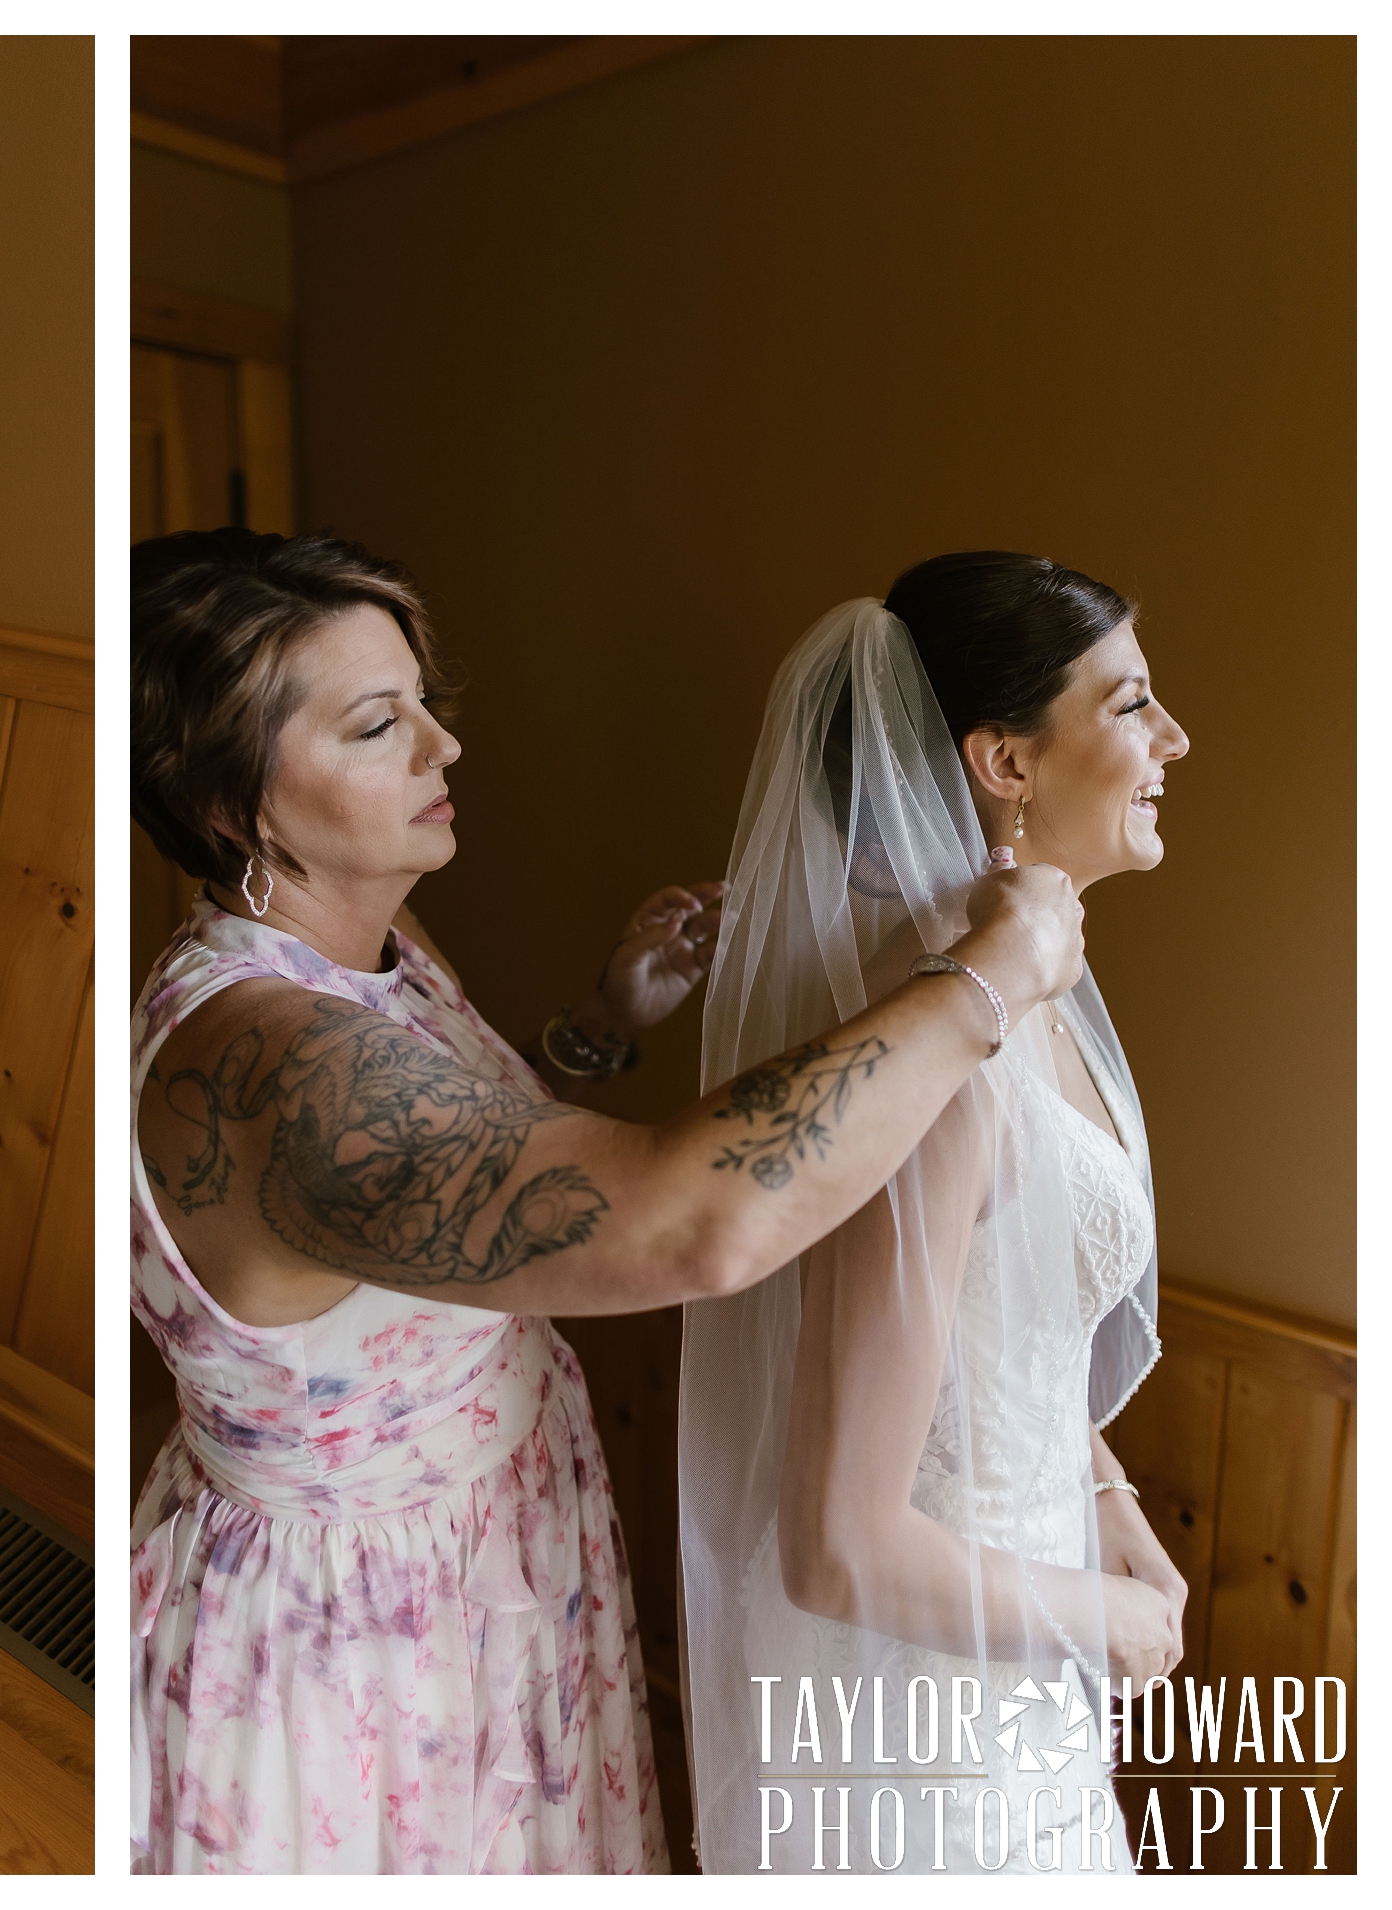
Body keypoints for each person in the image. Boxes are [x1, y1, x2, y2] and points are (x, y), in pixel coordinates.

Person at [127, 528, 1090, 1875]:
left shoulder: (367, 949)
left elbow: (436, 1185)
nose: (444, 745)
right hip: (358, 1644)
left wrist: (595, 1025)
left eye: (423, 701)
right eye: (376, 725)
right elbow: (687, 1219)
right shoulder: (273, 1060)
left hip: (493, 1559)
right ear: (230, 804)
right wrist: (985, 980)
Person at [680, 554, 1191, 1874]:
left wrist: (1107, 1494)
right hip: (916, 1705)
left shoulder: (1031, 990)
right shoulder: (940, 1061)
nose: (1174, 738)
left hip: (1013, 1630)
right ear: (1005, 761)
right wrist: (1106, 1618)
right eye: (1131, 703)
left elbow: (997, 1321)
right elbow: (838, 1546)